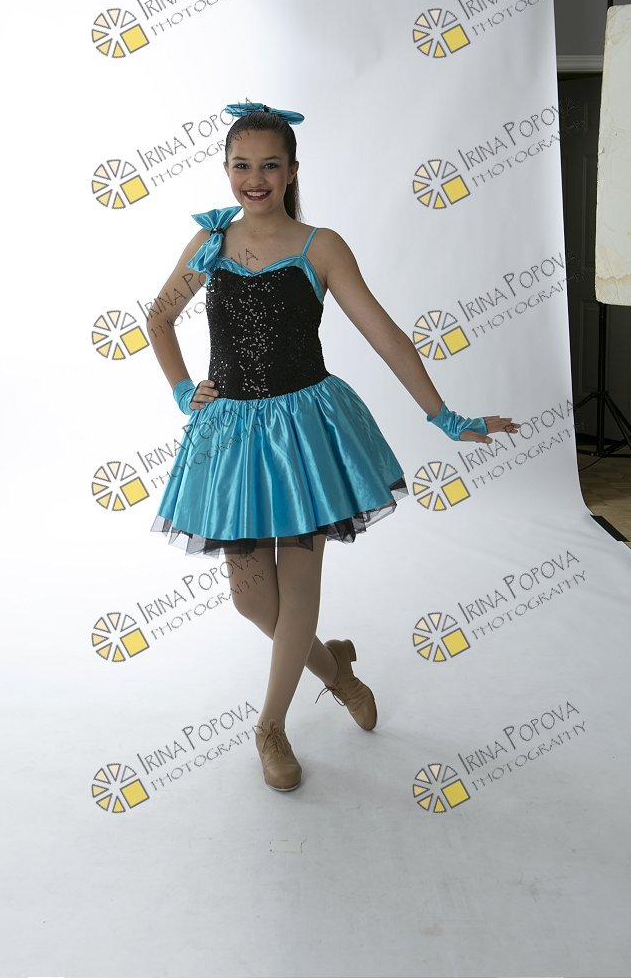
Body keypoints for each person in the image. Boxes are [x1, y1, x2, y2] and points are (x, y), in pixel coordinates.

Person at [145, 101, 520, 793]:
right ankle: (336, 670)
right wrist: (181, 389)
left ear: (292, 170)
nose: (255, 179)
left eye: (270, 165)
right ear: (225, 170)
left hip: (304, 434)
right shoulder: (209, 242)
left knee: (298, 588)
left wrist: (446, 417)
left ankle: (270, 727)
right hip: (231, 437)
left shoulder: (320, 246)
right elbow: (159, 317)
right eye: (241, 165)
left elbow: (386, 335)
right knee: (251, 601)